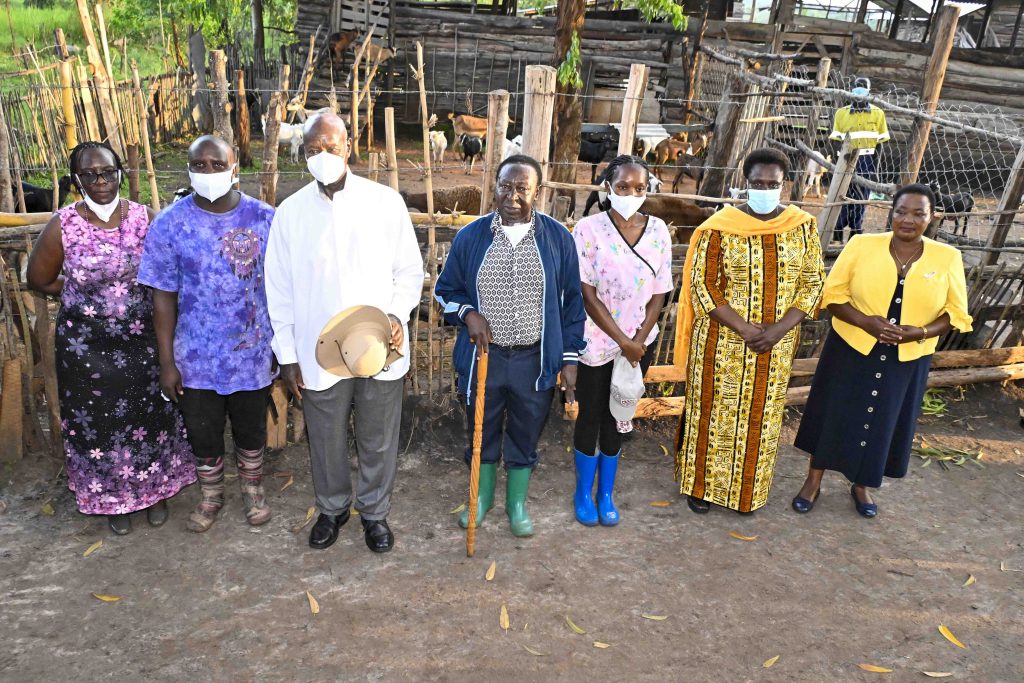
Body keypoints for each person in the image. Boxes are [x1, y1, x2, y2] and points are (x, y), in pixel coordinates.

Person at [265, 112, 423, 554]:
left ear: (348, 147)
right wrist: (287, 354)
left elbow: (409, 270)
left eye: (330, 148)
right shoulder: (290, 214)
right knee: (326, 435)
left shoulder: (384, 202)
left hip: (379, 345)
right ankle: (332, 509)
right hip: (317, 349)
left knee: (378, 435)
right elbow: (277, 289)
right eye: (313, 150)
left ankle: (374, 513)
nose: (322, 157)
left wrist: (395, 314)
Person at [26, 141, 196, 535]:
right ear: (76, 181)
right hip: (87, 351)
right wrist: (81, 295)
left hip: (142, 344)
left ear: (120, 173)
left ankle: (156, 492)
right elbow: (38, 279)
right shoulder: (63, 225)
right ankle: (112, 502)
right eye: (89, 175)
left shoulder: (144, 218)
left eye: (107, 172)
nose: (100, 181)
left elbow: (167, 278)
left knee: (152, 419)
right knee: (100, 429)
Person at [791, 184, 972, 517]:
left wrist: (919, 332)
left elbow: (956, 313)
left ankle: (861, 484)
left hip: (908, 357)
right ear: (891, 211)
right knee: (834, 411)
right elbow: (832, 296)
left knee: (883, 419)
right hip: (851, 347)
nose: (908, 219)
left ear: (932, 217)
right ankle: (813, 480)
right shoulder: (861, 245)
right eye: (902, 211)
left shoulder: (947, 258)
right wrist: (866, 323)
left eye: (919, 213)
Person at [435, 154, 586, 538]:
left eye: (522, 188)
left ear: (539, 191)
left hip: (533, 359)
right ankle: (480, 499)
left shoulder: (556, 239)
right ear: (495, 186)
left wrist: (569, 359)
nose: (512, 195)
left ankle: (515, 504)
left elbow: (572, 302)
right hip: (484, 358)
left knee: (526, 429)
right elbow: (444, 292)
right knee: (480, 429)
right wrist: (468, 313)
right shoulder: (472, 236)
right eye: (505, 185)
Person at [675, 148, 825, 515]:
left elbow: (812, 282)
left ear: (784, 185)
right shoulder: (720, 226)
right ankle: (701, 488)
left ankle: (747, 495)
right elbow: (703, 284)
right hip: (720, 340)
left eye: (771, 184)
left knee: (762, 416)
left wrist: (777, 330)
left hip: (777, 344)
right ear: (745, 183)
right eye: (757, 183)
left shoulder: (801, 225)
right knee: (711, 412)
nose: (764, 188)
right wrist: (744, 328)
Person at [138, 135, 276, 533]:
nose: (209, 172)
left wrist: (281, 347)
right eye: (199, 165)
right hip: (195, 357)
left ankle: (253, 490)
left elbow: (283, 288)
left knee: (251, 427)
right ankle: (212, 494)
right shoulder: (170, 224)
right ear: (188, 169)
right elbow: (162, 297)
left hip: (252, 351)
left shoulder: (265, 219)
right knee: (202, 430)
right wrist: (167, 363)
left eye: (218, 165)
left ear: (235, 168)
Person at [570, 155, 672, 527]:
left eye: (640, 188)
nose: (632, 194)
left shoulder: (659, 229)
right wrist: (622, 340)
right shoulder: (588, 229)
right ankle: (583, 493)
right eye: (624, 187)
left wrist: (639, 339)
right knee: (591, 415)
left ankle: (606, 493)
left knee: (619, 414)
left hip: (639, 341)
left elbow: (660, 290)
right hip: (597, 340)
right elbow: (586, 292)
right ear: (607, 188)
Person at [831, 76, 889, 243]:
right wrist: (838, 161)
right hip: (846, 159)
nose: (859, 91)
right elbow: (835, 140)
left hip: (866, 160)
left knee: (861, 198)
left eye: (863, 88)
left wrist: (875, 170)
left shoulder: (878, 114)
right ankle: (837, 232)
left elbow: (880, 144)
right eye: (857, 88)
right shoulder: (842, 113)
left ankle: (856, 234)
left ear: (869, 91)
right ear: (851, 90)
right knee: (841, 195)